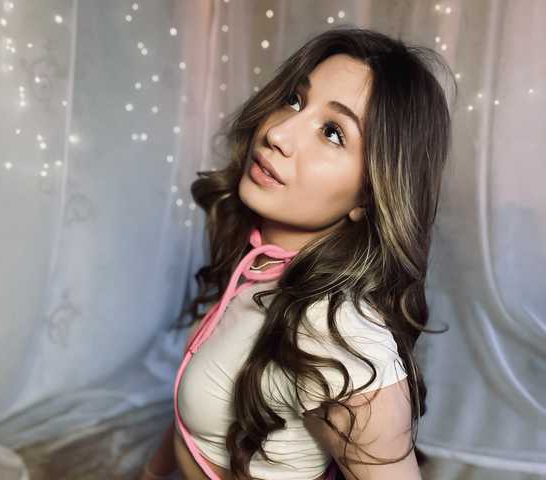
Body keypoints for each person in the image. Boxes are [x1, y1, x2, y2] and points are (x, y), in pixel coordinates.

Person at [138, 25, 455, 480]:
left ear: (371, 195)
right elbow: (200, 414)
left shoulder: (338, 333)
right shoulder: (262, 262)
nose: (279, 133)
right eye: (293, 100)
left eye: (333, 132)